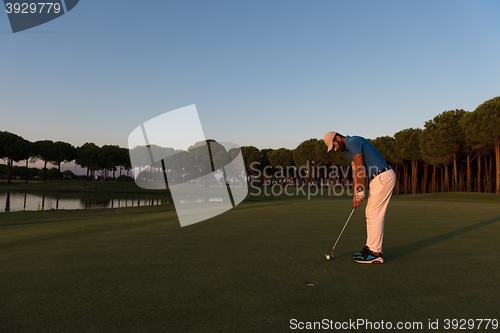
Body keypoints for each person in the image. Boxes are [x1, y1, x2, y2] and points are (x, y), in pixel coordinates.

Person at [324, 131, 396, 264]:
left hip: (383, 177)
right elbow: (356, 171)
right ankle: (370, 248)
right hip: (376, 179)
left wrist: (361, 191)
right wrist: (356, 194)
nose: (335, 149)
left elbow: (361, 167)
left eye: (334, 145)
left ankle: (375, 253)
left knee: (374, 213)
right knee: (370, 212)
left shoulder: (353, 142)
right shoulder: (349, 151)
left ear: (338, 138)